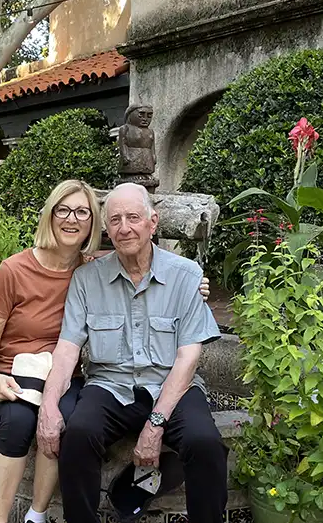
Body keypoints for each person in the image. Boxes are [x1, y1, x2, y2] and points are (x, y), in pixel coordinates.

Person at [0, 180, 210, 523]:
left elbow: (141, 256)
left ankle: (36, 514)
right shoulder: (21, 270)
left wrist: (193, 283)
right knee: (33, 424)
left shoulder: (94, 266)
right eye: (63, 210)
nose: (72, 219)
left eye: (82, 212)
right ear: (50, 216)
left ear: (92, 224)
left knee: (201, 442)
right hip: (16, 372)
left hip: (85, 376)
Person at [36, 183, 229, 523]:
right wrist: (49, 406)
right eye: (115, 220)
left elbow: (187, 358)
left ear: (152, 223)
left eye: (133, 218)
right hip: (110, 386)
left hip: (172, 386)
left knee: (205, 443)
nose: (124, 227)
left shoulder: (186, 276)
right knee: (78, 436)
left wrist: (155, 425)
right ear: (106, 229)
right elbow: (66, 351)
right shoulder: (87, 279)